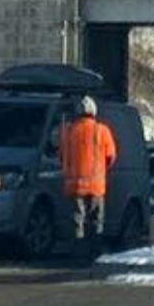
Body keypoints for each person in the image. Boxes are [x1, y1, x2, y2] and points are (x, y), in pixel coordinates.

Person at [60, 96, 117, 261]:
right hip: (96, 185)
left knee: (77, 220)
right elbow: (111, 156)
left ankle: (77, 252)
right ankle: (94, 252)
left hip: (74, 186)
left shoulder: (68, 131)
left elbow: (62, 156)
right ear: (94, 112)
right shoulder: (102, 130)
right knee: (95, 221)